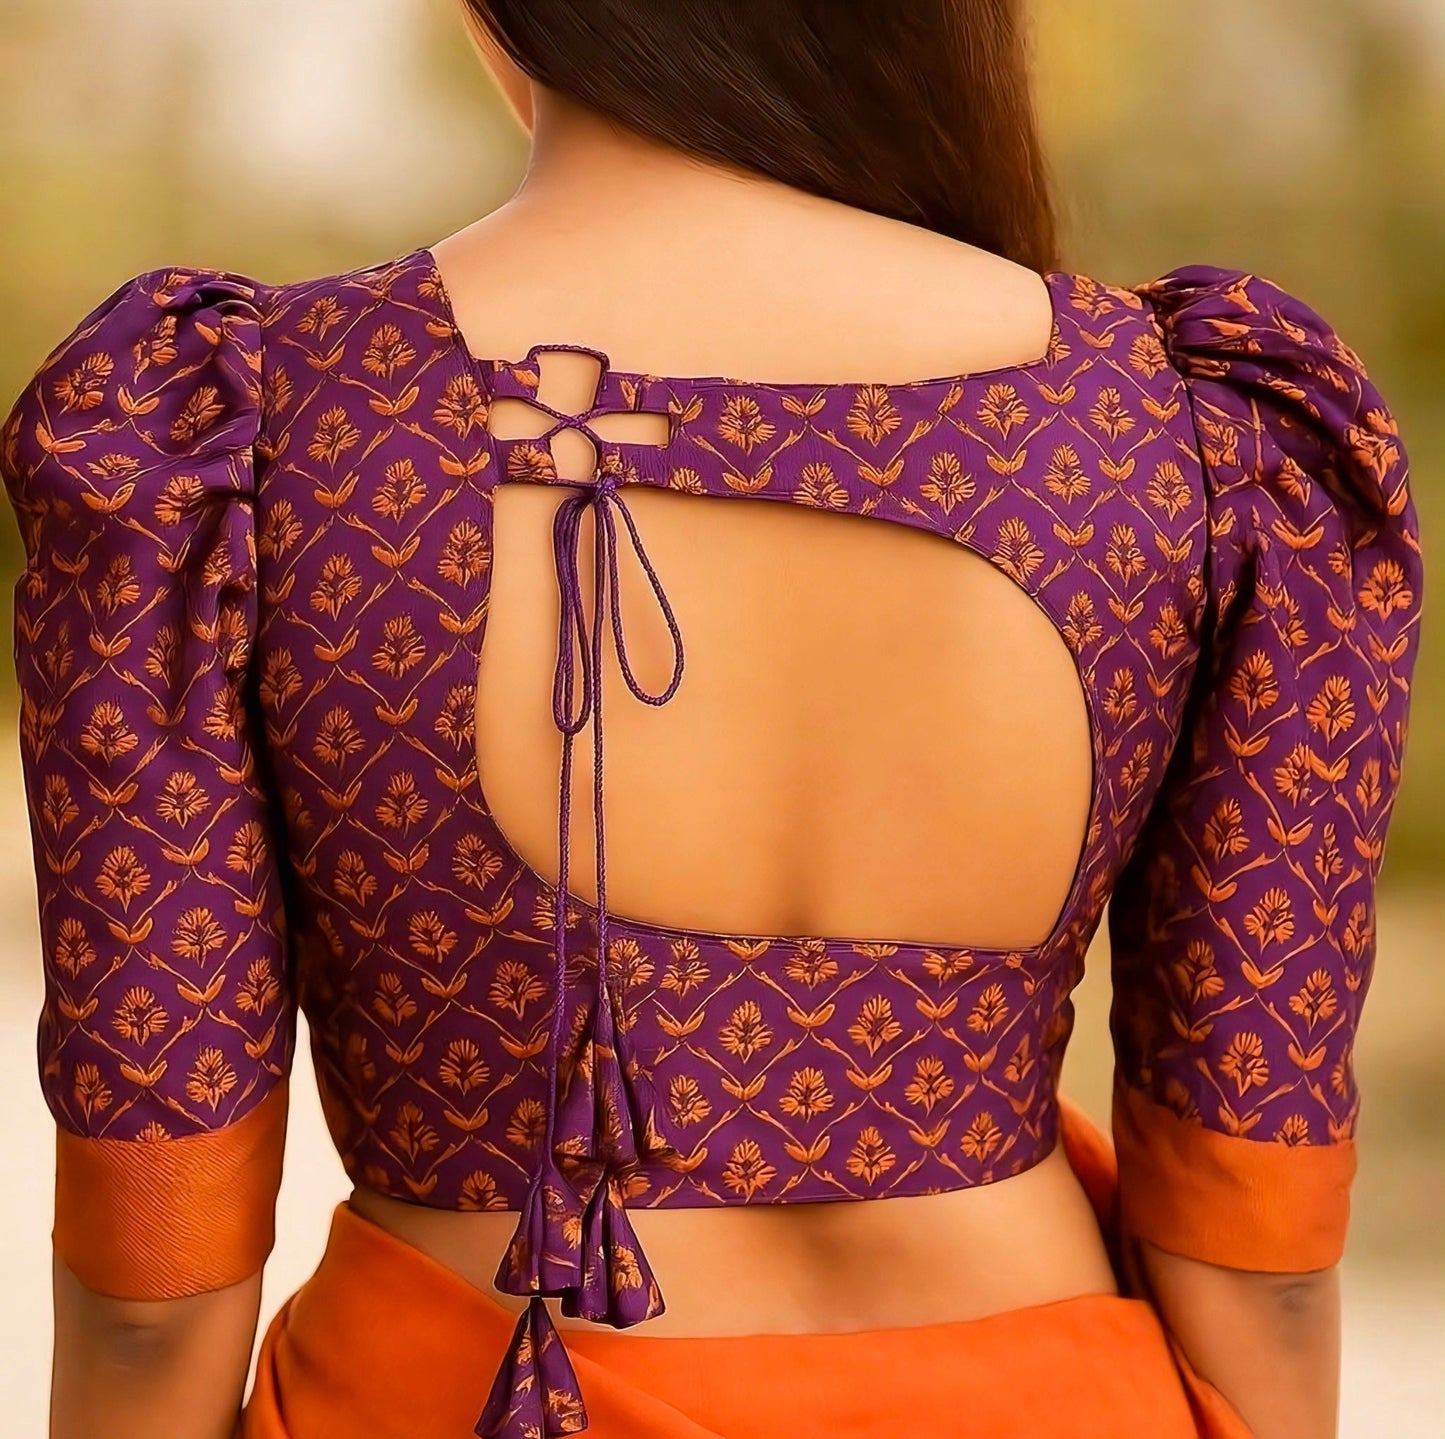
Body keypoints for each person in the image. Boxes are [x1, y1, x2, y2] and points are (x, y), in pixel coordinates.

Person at [0, 4, 1423, 1438]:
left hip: (481, 1391)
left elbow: (154, 1267)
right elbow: (1254, 1213)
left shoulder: (242, 431)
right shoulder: (1198, 433)